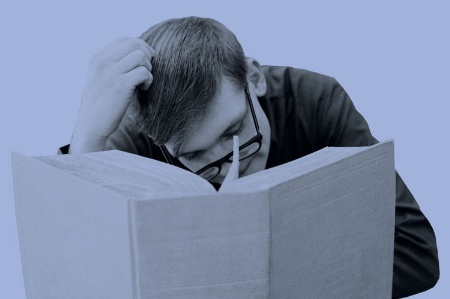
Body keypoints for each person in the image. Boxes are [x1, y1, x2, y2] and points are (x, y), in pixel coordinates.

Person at [62, 17, 439, 298]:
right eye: (193, 155)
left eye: (234, 131)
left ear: (254, 78)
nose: (232, 167)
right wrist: (86, 140)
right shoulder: (136, 138)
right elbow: (75, 280)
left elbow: (416, 253)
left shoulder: (315, 100)